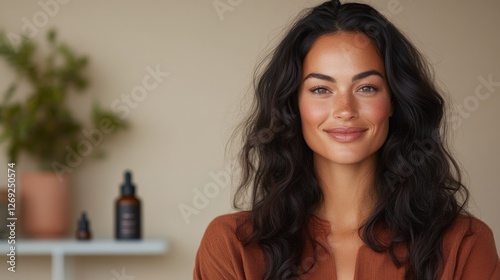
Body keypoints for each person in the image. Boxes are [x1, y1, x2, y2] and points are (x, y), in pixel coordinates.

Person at [194, 1, 500, 279]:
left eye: (366, 88)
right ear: (293, 104)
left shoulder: (464, 243)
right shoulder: (232, 244)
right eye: (320, 90)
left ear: (394, 100)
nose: (344, 111)